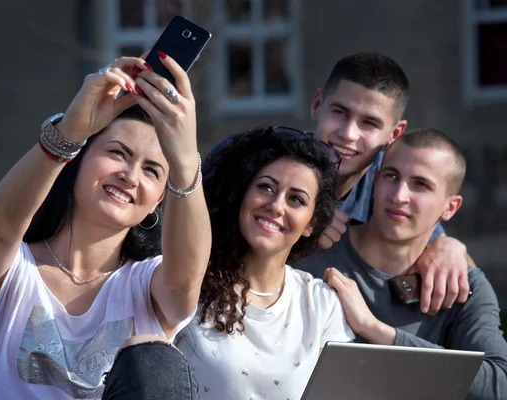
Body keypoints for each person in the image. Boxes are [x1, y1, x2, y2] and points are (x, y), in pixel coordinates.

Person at [0, 53, 210, 399]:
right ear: (77, 161)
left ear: (158, 201)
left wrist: (185, 163)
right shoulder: (13, 272)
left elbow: (185, 283)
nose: (130, 175)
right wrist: (71, 131)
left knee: (154, 362)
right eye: (118, 153)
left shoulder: (149, 286)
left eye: (152, 170)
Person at [298, 128, 507, 398]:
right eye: (392, 176)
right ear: (374, 180)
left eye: (421, 184)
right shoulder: (312, 253)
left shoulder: (461, 284)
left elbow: (500, 385)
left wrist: (376, 331)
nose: (398, 195)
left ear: (450, 207)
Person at [176, 127, 354, 400]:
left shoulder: (321, 304)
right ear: (242, 195)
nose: (276, 206)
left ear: (312, 224)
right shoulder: (186, 282)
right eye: (266, 187)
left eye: (296, 199)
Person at [308, 52, 473, 314]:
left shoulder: (389, 181)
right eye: (340, 112)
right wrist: (295, 220)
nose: (348, 133)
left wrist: (449, 247)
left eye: (369, 123)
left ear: (394, 133)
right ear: (317, 104)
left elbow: (456, 259)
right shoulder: (267, 162)